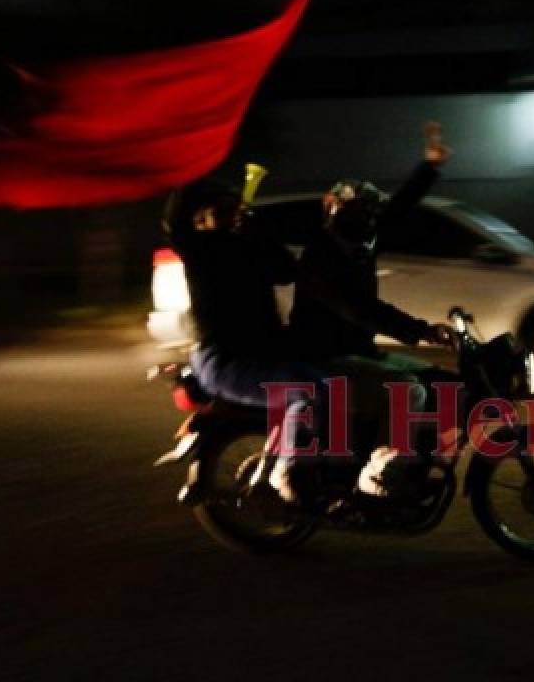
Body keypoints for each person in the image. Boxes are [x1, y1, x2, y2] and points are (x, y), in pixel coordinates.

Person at [289, 129, 455, 496]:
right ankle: (377, 475)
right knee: (407, 392)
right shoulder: (321, 256)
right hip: (325, 358)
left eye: (369, 211)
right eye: (360, 211)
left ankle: (415, 460)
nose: (368, 218)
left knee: (439, 380)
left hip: (360, 351)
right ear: (337, 212)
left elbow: (399, 207)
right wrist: (420, 330)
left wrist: (430, 167)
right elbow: (361, 310)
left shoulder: (359, 242)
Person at [165, 178, 322, 503]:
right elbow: (175, 222)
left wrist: (258, 231)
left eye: (235, 209)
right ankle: (287, 472)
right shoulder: (202, 251)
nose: (231, 215)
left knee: (333, 383)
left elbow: (286, 270)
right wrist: (191, 173)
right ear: (201, 220)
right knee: (305, 394)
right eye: (220, 210)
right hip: (227, 361)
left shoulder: (250, 248)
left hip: (260, 357)